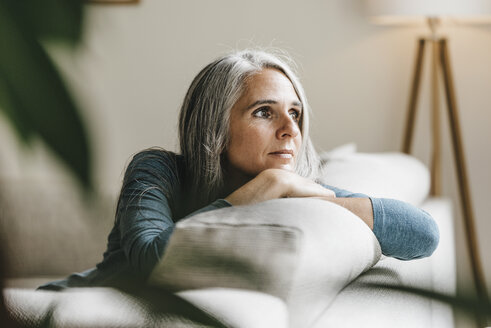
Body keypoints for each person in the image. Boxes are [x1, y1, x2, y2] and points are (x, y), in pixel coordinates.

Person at [39, 49, 439, 291]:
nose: (290, 130)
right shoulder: (158, 170)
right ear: (215, 125)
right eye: (264, 112)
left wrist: (324, 197)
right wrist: (264, 187)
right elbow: (153, 259)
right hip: (59, 303)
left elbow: (423, 234)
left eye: (295, 114)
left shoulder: (292, 187)